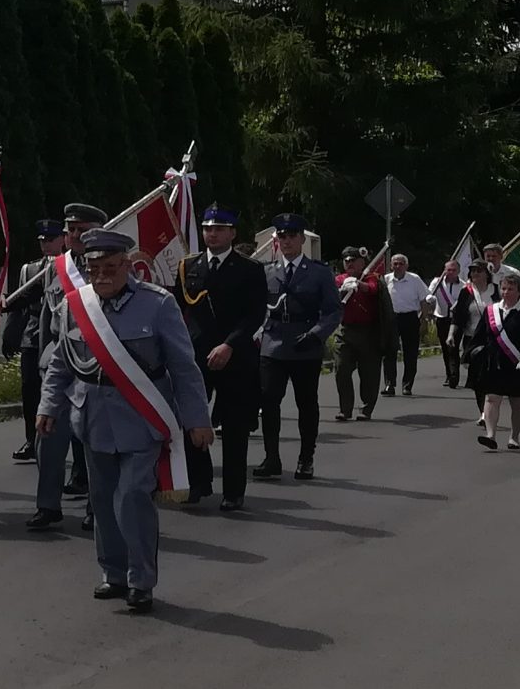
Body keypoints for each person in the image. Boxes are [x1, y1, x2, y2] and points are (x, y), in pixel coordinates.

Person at [38, 228, 213, 614]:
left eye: (110, 268)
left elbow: (184, 367)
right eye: (94, 269)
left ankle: (141, 580)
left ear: (127, 266)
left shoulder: (158, 304)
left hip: (142, 417)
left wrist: (198, 419)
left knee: (133, 497)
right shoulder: (74, 305)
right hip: (92, 417)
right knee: (102, 501)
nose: (101, 276)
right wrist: (48, 407)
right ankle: (113, 573)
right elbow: (61, 364)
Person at [175, 206, 263, 511]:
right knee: (191, 418)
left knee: (235, 425)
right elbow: (177, 310)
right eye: (207, 228)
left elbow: (255, 314)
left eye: (219, 229)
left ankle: (233, 490)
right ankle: (198, 481)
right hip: (196, 355)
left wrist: (229, 345)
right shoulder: (189, 266)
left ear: (232, 233)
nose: (212, 234)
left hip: (235, 356)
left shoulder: (250, 268)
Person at [27, 203, 105, 526]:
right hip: (60, 366)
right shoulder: (56, 268)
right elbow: (48, 319)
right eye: (70, 230)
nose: (74, 235)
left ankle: (96, 509)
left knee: (95, 443)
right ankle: (48, 505)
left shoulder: (106, 267)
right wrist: (44, 360)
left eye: (82, 230)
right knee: (48, 438)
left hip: (94, 366)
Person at [258, 214, 341, 481]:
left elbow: (333, 310)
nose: (287, 241)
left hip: (305, 344)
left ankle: (306, 458)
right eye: (282, 236)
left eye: (292, 236)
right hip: (273, 344)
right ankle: (271, 458)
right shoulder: (267, 271)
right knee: (269, 401)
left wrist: (316, 335)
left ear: (302, 239)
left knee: (306, 403)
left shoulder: (319, 272)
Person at [2, 220, 69, 463]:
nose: (46, 245)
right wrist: (10, 333)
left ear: (62, 240)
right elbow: (21, 303)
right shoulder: (29, 270)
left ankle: (62, 441)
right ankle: (32, 440)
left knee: (59, 392)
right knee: (30, 390)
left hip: (58, 335)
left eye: (50, 240)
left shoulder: (70, 267)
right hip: (33, 335)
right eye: (42, 241)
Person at [467, 265, 520, 450]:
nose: (505, 292)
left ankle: (514, 437)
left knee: (517, 402)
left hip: (517, 364)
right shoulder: (491, 311)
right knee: (491, 398)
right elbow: (479, 336)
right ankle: (490, 435)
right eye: (503, 288)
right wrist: (471, 354)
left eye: (510, 289)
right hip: (494, 363)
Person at [333, 247, 385, 420]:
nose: (349, 263)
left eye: (353, 260)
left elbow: (373, 289)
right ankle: (345, 409)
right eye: (346, 260)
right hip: (345, 330)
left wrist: (359, 285)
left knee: (369, 373)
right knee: (341, 369)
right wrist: (342, 289)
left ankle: (366, 409)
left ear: (362, 262)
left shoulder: (371, 277)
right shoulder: (339, 279)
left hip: (368, 332)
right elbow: (332, 296)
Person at [382, 254, 428, 397]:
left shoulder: (415, 279)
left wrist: (424, 319)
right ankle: (389, 384)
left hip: (410, 317)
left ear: (406, 266)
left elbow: (424, 300)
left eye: (401, 264)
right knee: (389, 352)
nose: (398, 266)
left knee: (410, 353)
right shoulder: (386, 280)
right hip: (391, 318)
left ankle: (407, 385)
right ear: (391, 266)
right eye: (395, 264)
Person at [427, 259, 471, 389]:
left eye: (453, 270)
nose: (450, 272)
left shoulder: (463, 286)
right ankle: (449, 374)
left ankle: (454, 376)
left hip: (456, 320)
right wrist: (430, 298)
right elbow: (429, 294)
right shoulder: (437, 282)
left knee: (453, 347)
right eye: (448, 270)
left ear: (458, 271)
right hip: (441, 318)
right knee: (445, 348)